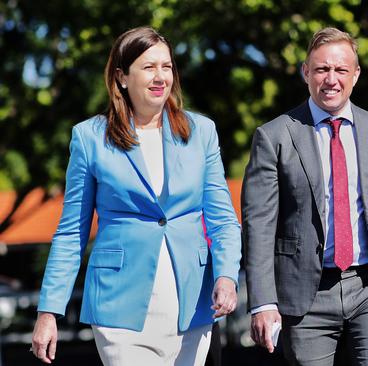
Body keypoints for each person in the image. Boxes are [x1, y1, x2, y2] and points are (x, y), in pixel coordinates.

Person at [31, 26, 241, 365]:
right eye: (148, 67)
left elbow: (223, 220)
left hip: (192, 305)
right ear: (122, 77)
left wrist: (227, 275)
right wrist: (48, 310)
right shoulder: (89, 138)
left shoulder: (202, 132)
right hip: (119, 309)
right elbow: (71, 232)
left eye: (167, 67)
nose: (160, 77)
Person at [242, 27, 368, 366]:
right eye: (322, 69)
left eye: (341, 70)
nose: (331, 79)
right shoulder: (274, 136)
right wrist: (263, 303)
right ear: (306, 72)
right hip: (305, 295)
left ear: (355, 75)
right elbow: (259, 226)